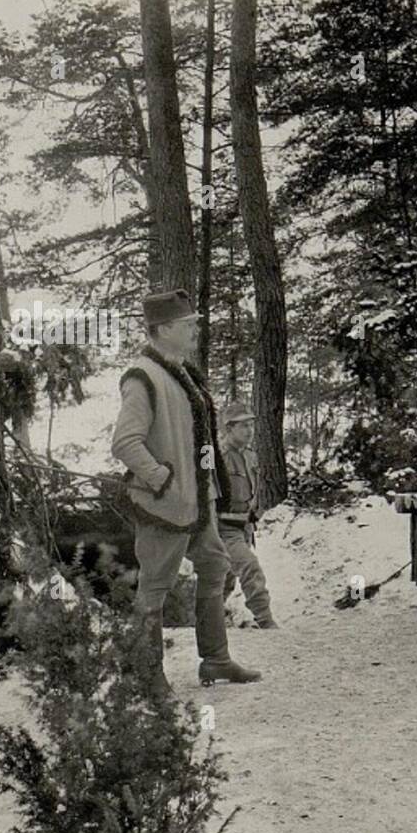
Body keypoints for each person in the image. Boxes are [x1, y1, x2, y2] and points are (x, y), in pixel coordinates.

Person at [112, 288, 263, 693]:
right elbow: (126, 442)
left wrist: (212, 483)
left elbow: (201, 441)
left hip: (198, 503)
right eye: (187, 325)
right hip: (164, 506)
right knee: (154, 587)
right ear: (162, 329)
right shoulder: (142, 377)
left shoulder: (181, 372)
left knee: (215, 566)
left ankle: (215, 660)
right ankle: (146, 675)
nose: (196, 330)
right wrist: (160, 479)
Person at [217, 401, 278, 629]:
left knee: (224, 578)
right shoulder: (217, 457)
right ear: (229, 428)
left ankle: (207, 619)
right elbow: (205, 494)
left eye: (251, 425)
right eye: (243, 426)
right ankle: (265, 620)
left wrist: (254, 515)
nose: (249, 431)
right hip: (223, 528)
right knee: (249, 566)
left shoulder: (251, 456)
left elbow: (252, 491)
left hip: (243, 528)